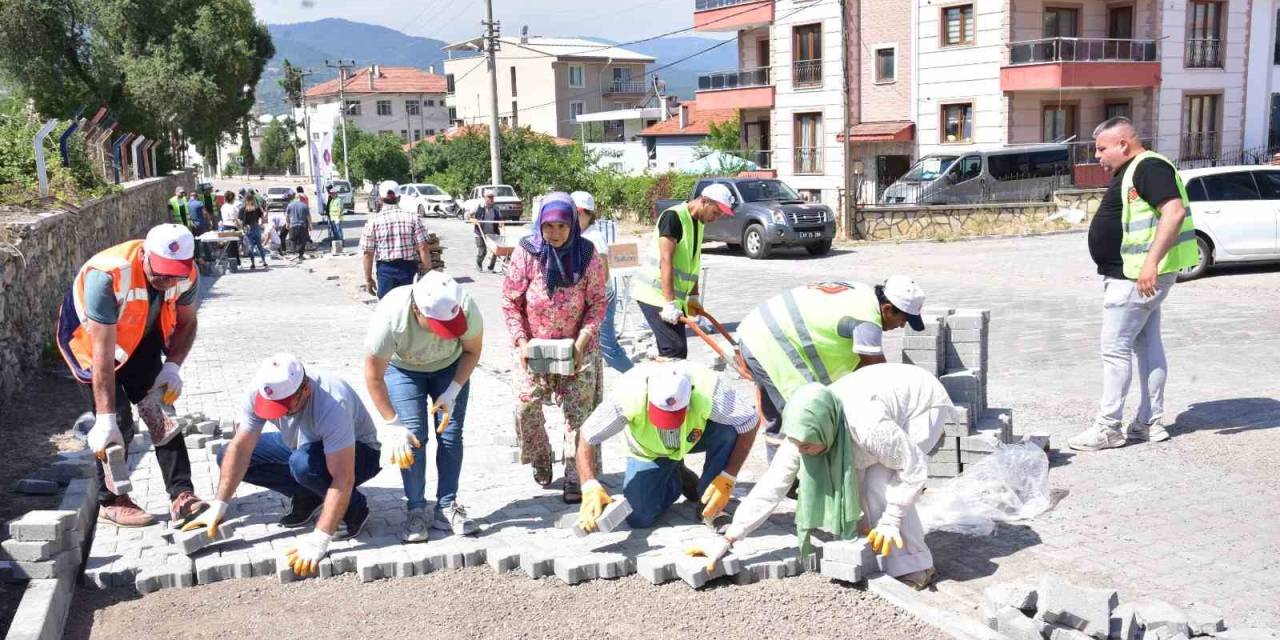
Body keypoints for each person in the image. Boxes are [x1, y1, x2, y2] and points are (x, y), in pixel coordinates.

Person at [688, 364, 954, 590]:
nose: (803, 452)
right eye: (799, 444)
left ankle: (917, 566)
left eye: (807, 446)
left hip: (920, 403)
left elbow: (913, 469)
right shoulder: (804, 430)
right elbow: (772, 486)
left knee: (879, 483)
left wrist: (892, 520)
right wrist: (728, 539)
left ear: (825, 431)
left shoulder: (869, 426)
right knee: (859, 476)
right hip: (876, 397)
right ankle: (874, 547)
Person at [54, 224, 209, 527]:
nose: (167, 281)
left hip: (140, 334)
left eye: (174, 274)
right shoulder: (108, 275)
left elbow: (188, 323)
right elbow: (102, 353)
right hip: (90, 343)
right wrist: (106, 418)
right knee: (118, 423)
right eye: (161, 272)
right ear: (145, 256)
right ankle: (112, 500)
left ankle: (182, 495)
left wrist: (172, 365)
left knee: (160, 412)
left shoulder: (185, 275)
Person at [181, 354, 382, 577]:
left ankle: (355, 508)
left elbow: (343, 477)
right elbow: (240, 450)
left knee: (303, 465)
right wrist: (218, 506)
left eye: (283, 406)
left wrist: (320, 538)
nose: (278, 413)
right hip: (302, 445)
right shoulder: (260, 390)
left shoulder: (333, 403)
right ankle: (311, 495)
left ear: (305, 390)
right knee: (226, 455)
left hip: (359, 452)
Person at [1069, 116, 1197, 451]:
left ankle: (1108, 427)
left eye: (1101, 148)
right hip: (1136, 276)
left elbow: (1174, 212)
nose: (1097, 155)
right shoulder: (1135, 169)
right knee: (1147, 345)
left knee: (1115, 349)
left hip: (1134, 278)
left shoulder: (1148, 167)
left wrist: (1150, 264)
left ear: (1123, 144)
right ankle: (1149, 423)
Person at [737, 276, 926, 459]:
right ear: (886, 309)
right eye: (904, 320)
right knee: (805, 417)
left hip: (756, 330)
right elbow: (877, 375)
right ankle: (797, 483)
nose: (902, 326)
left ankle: (783, 482)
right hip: (773, 343)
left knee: (781, 421)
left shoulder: (862, 293)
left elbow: (862, 368)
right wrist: (905, 415)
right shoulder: (867, 322)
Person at [500, 192, 606, 500]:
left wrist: (583, 340)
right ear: (540, 224)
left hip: (577, 348)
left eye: (562, 226)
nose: (555, 233)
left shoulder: (588, 255)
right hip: (534, 349)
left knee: (579, 414)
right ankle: (540, 455)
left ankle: (577, 474)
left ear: (573, 224)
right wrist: (521, 342)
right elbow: (510, 301)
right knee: (526, 405)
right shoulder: (527, 253)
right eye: (549, 226)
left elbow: (598, 304)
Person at [364, 272, 483, 541]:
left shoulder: (464, 305)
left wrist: (453, 390)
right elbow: (373, 376)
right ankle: (416, 509)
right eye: (437, 325)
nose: (442, 332)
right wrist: (392, 424)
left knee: (451, 435)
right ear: (417, 310)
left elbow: (472, 351)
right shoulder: (391, 317)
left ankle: (446, 506)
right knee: (413, 438)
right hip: (404, 370)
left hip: (450, 367)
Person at [575, 361, 757, 531]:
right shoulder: (627, 395)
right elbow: (586, 435)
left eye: (675, 414)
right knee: (639, 517)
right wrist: (589, 485)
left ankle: (709, 503)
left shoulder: (710, 389)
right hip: (649, 451)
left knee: (728, 430)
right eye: (661, 415)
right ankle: (675, 476)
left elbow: (750, 421)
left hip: (693, 437)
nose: (668, 423)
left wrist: (728, 477)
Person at [630, 184, 735, 359]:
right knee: (674, 349)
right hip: (654, 294)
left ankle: (663, 380)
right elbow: (666, 260)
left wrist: (693, 296)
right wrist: (669, 304)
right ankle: (661, 384)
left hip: (671, 298)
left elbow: (692, 263)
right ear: (704, 201)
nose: (716, 218)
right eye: (716, 212)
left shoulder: (698, 223)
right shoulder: (673, 217)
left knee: (676, 351)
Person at [573, 190, 632, 373]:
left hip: (601, 299)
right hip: (591, 299)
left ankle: (640, 380)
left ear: (582, 213)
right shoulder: (581, 235)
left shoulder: (593, 238)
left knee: (609, 348)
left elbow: (603, 275)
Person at [360, 186, 432, 299]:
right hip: (408, 270)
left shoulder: (373, 222)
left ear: (380, 199)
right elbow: (423, 247)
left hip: (385, 271)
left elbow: (367, 254)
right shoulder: (413, 218)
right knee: (408, 308)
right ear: (399, 198)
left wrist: (368, 279)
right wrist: (428, 272)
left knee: (386, 309)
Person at [472, 190, 501, 272]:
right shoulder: (479, 207)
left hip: (492, 232)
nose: (491, 199)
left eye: (492, 197)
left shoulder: (496, 208)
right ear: (485, 198)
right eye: (489, 197)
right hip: (480, 233)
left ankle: (491, 267)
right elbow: (468, 215)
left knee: (496, 250)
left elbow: (500, 218)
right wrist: (472, 219)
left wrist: (502, 222)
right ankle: (478, 263)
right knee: (482, 251)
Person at [238, 189, 268, 270]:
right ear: (253, 200)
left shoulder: (242, 209)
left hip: (247, 229)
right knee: (259, 246)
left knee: (250, 247)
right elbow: (263, 218)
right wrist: (261, 224)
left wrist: (241, 229)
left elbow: (240, 221)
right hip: (256, 227)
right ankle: (264, 262)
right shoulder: (257, 208)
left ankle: (253, 263)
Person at [219, 190, 243, 269]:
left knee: (229, 247)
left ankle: (233, 263)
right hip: (232, 227)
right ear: (232, 199)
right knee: (233, 247)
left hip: (225, 226)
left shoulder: (223, 206)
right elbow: (235, 219)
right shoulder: (232, 207)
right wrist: (240, 227)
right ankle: (235, 264)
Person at [285, 189, 311, 261]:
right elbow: (308, 216)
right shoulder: (305, 206)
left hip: (293, 225)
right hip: (302, 225)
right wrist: (310, 225)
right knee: (302, 240)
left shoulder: (290, 205)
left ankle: (294, 252)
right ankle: (300, 254)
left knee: (293, 239)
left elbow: (287, 215)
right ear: (301, 199)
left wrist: (287, 223)